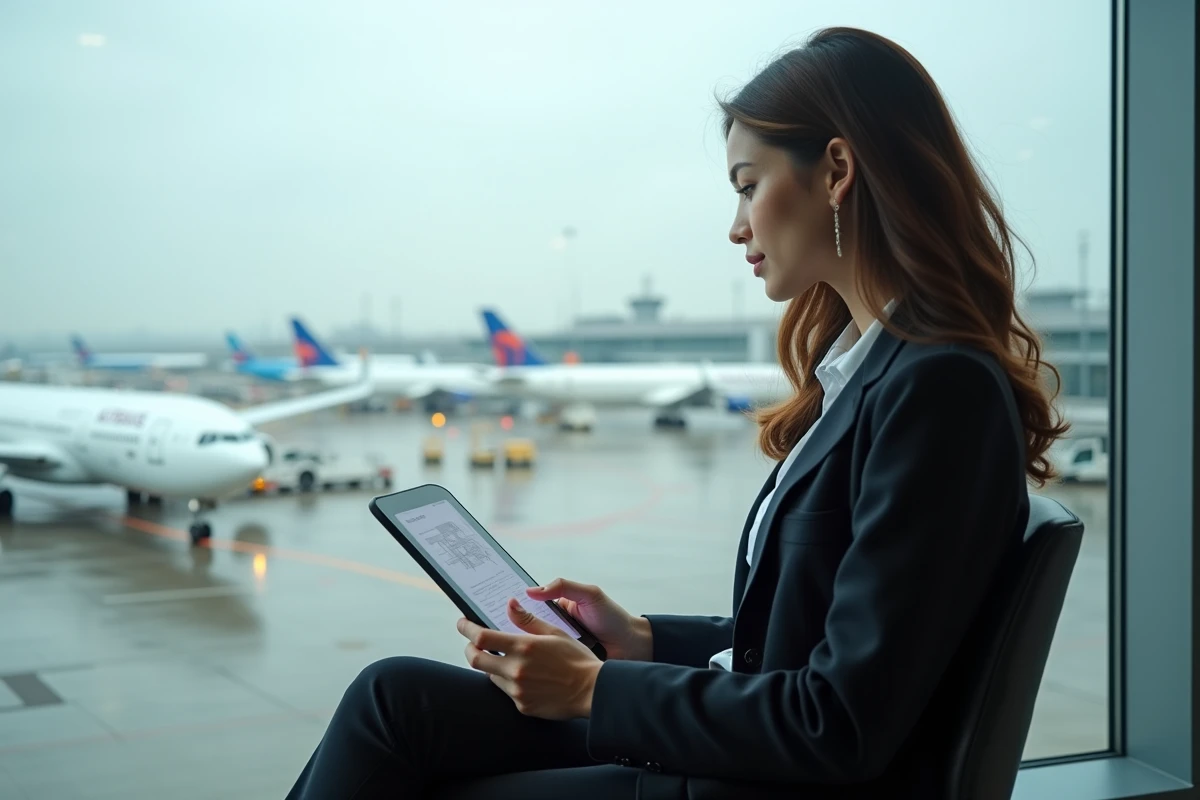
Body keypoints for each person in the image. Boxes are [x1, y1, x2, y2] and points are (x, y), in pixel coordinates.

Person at [286, 25, 1068, 799]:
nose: (736, 227)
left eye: (747, 184)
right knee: (392, 698)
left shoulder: (936, 390)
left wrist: (595, 690)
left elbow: (839, 719)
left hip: (775, 786)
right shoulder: (875, 375)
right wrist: (645, 642)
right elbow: (804, 650)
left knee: (405, 746)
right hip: (757, 755)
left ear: (836, 171)